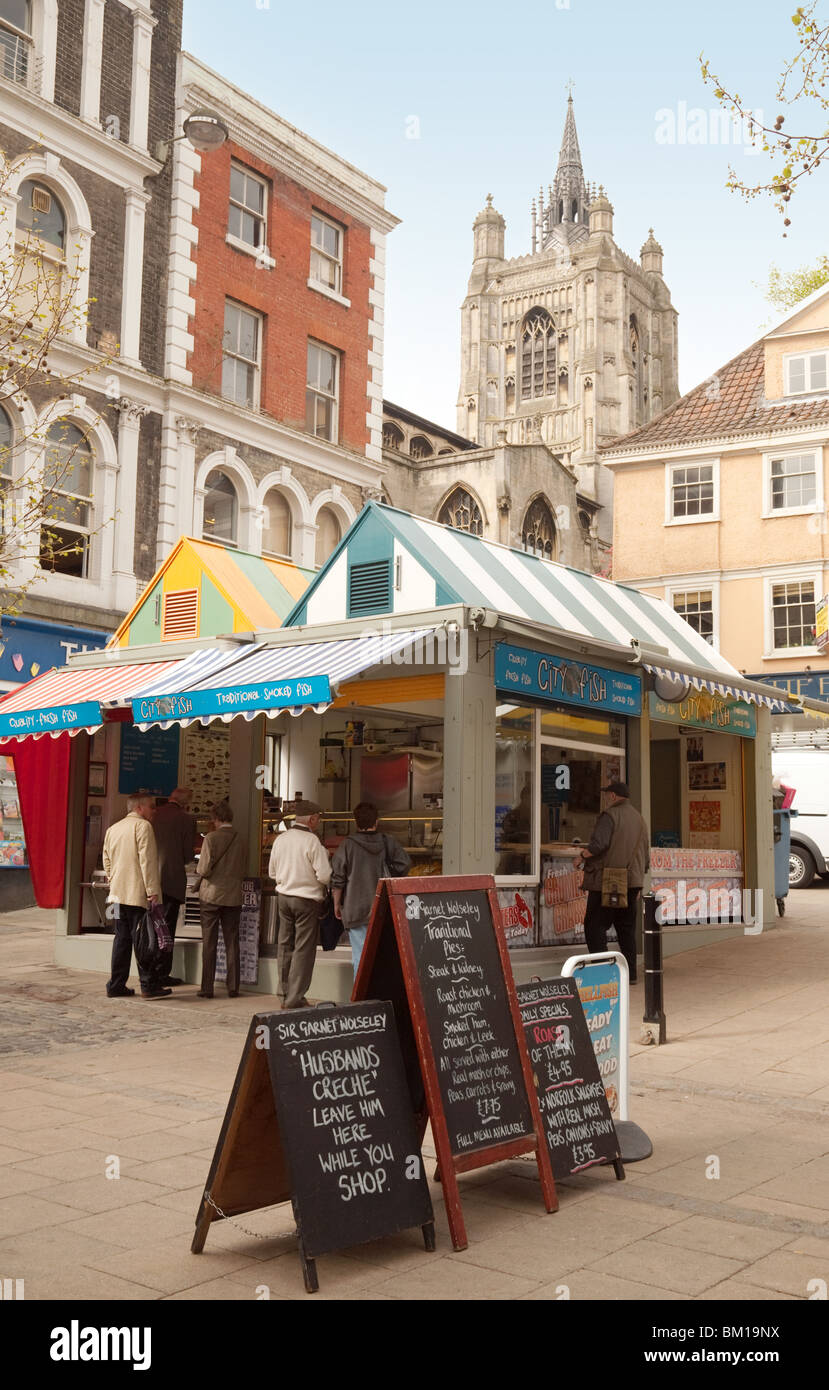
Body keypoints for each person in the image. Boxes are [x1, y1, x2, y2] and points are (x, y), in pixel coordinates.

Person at [578, 781, 649, 983]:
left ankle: (601, 973)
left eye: (608, 794)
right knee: (626, 929)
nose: (607, 798)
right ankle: (631, 975)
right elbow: (646, 856)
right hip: (632, 882)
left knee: (594, 926)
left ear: (613, 796)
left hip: (608, 882)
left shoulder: (610, 816)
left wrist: (582, 856)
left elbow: (598, 845)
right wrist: (639, 883)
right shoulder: (640, 819)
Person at [331, 803, 410, 978]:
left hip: (355, 908)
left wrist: (337, 904)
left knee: (360, 957)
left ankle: (362, 1001)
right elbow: (404, 864)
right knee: (383, 957)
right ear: (377, 821)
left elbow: (338, 878)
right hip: (383, 906)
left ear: (355, 821)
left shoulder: (347, 846)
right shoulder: (387, 841)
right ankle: (381, 998)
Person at [102, 793, 168, 1000]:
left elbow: (106, 859)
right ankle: (148, 985)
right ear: (140, 808)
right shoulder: (143, 827)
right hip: (137, 893)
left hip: (118, 894)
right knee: (144, 940)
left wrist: (114, 880)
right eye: (152, 807)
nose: (154, 811)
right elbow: (147, 862)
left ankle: (116, 983)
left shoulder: (113, 828)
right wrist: (152, 892)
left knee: (121, 940)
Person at [268, 799, 331, 1010]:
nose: (319, 822)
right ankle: (295, 997)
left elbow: (272, 873)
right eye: (318, 818)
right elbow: (324, 875)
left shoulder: (281, 839)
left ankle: (284, 993)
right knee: (303, 949)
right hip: (306, 900)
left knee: (285, 945)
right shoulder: (312, 841)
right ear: (312, 819)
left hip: (283, 898)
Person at [196, 800, 247, 999]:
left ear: (215, 819)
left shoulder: (211, 838)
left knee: (209, 942)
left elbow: (204, 868)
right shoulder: (241, 838)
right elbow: (243, 867)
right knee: (232, 941)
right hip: (233, 895)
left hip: (211, 895)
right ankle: (233, 986)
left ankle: (207, 987)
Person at [151, 787, 197, 987]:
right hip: (172, 879)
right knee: (167, 927)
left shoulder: (153, 814)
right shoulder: (186, 819)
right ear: (186, 803)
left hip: (150, 879)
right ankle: (162, 973)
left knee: (149, 926)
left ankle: (149, 971)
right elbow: (188, 855)